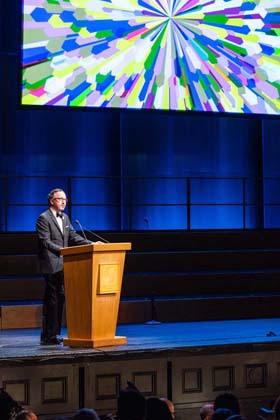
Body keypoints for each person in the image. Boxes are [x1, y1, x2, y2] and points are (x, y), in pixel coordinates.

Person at [36, 188, 92, 345]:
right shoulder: (43, 218)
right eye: (60, 199)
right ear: (52, 201)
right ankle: (47, 335)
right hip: (50, 264)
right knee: (52, 300)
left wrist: (91, 244)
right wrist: (62, 251)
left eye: (65, 199)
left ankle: (53, 334)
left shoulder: (66, 218)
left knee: (60, 299)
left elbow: (73, 237)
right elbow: (45, 241)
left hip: (64, 265)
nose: (63, 202)